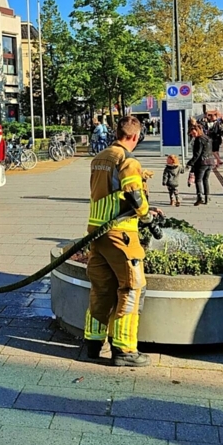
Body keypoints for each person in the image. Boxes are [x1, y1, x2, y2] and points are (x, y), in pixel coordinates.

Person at [83, 115, 154, 367]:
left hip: (97, 233)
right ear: (135, 136)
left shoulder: (100, 157)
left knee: (101, 289)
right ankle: (124, 350)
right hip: (120, 234)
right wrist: (147, 216)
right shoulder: (128, 160)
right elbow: (134, 194)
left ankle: (93, 342)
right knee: (132, 288)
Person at [187, 126, 213, 206]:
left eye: (194, 133)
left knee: (198, 180)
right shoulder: (207, 138)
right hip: (210, 161)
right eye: (192, 134)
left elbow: (197, 154)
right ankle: (207, 198)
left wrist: (190, 163)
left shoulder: (199, 139)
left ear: (198, 131)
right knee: (205, 179)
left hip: (202, 163)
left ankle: (200, 197)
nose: (193, 135)